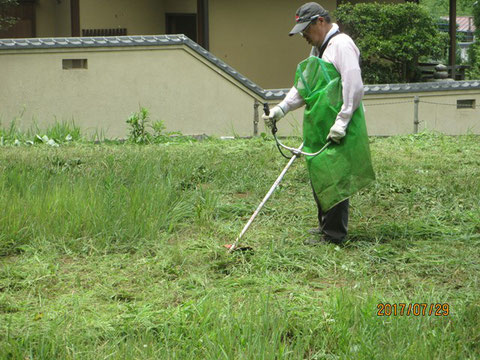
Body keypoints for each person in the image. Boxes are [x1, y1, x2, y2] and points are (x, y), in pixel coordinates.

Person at [262, 2, 375, 245]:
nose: (303, 35)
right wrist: (281, 109)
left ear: (320, 22)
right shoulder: (319, 49)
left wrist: (342, 121)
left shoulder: (342, 45)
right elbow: (306, 86)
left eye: (306, 29)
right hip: (321, 122)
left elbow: (354, 85)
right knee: (321, 174)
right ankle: (325, 226)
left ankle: (334, 235)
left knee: (334, 176)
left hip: (339, 122)